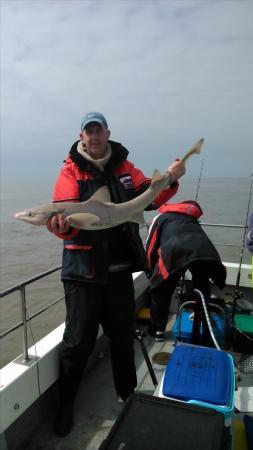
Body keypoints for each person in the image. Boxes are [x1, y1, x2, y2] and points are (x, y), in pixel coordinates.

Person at [47, 111, 186, 436]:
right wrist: (61, 229)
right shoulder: (69, 172)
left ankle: (127, 393)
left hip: (120, 271)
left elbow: (153, 198)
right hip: (82, 273)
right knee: (77, 343)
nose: (94, 137)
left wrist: (171, 179)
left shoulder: (125, 168)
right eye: (88, 131)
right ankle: (66, 405)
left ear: (107, 133)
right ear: (81, 136)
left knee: (123, 338)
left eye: (99, 131)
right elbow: (67, 220)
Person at [146, 200, 227, 343]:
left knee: (161, 290)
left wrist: (150, 268)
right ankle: (203, 324)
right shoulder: (192, 221)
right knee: (201, 289)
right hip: (204, 250)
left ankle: (157, 330)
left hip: (174, 251)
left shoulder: (161, 217)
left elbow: (150, 245)